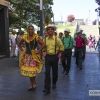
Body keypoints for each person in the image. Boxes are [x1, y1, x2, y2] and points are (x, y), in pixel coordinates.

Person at [18, 25, 45, 91]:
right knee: (29, 71)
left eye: (32, 29)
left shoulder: (36, 37)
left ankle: (34, 83)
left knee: (33, 71)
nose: (30, 30)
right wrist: (22, 50)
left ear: (33, 30)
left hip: (33, 56)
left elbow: (43, 44)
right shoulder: (25, 37)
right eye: (29, 29)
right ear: (28, 30)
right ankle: (31, 84)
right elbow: (19, 44)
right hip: (27, 56)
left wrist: (38, 50)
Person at [43, 24, 64, 94]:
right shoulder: (45, 39)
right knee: (47, 72)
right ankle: (47, 88)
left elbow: (62, 48)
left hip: (55, 56)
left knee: (55, 72)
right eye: (49, 29)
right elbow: (44, 48)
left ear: (53, 30)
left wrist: (58, 52)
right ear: (47, 31)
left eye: (51, 29)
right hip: (48, 57)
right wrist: (44, 53)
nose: (50, 30)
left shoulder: (57, 39)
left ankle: (54, 82)